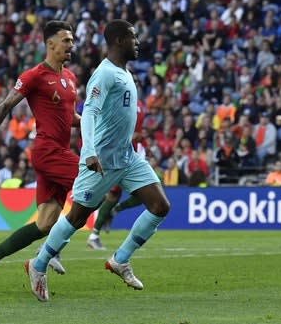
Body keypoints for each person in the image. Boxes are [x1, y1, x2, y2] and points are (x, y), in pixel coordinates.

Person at [25, 20, 171, 302]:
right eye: (133, 37)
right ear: (118, 40)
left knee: (160, 205)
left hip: (127, 157)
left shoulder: (125, 73)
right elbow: (89, 113)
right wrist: (89, 151)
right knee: (77, 217)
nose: (138, 42)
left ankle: (120, 259)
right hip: (101, 159)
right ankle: (38, 264)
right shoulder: (104, 74)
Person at [0, 21, 79, 290]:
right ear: (49, 44)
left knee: (44, 223)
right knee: (97, 183)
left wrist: (93, 121)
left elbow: (70, 118)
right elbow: (6, 104)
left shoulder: (71, 78)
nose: (71, 45)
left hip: (60, 152)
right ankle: (51, 250)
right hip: (46, 150)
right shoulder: (34, 76)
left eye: (72, 40)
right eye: (66, 40)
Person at [86, 93, 147, 251]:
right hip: (117, 152)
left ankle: (112, 211)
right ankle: (93, 235)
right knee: (109, 195)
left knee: (145, 193)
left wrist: (139, 138)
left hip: (133, 152)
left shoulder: (138, 103)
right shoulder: (118, 100)